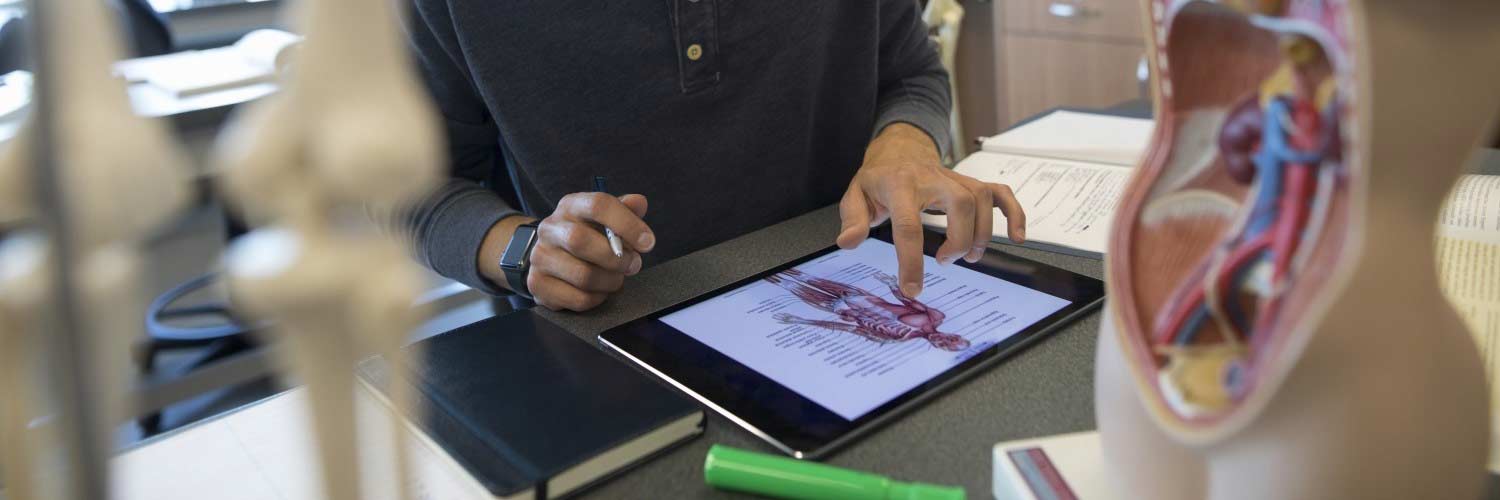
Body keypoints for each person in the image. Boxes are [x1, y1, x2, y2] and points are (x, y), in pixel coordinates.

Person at [402, 0, 1025, 312]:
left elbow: (912, 73)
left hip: (854, 299)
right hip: (605, 353)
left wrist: (905, 146)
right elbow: (415, 188)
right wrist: (523, 249)